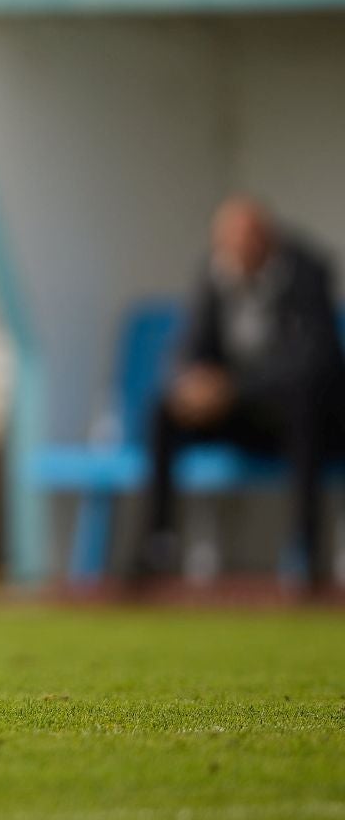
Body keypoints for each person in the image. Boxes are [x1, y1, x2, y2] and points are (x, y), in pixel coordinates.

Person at [138, 196, 345, 589]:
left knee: (306, 409)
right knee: (164, 411)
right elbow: (190, 344)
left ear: (268, 238)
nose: (236, 248)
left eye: (246, 237)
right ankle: (158, 543)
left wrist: (233, 388)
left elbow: (315, 363)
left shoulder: (308, 272)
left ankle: (304, 548)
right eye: (228, 240)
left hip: (299, 418)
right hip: (237, 415)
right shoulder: (213, 275)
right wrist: (191, 382)